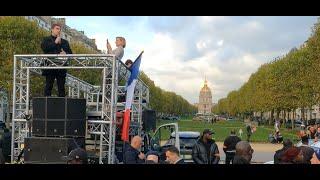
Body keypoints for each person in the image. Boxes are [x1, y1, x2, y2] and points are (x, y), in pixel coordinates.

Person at [41, 23, 72, 97]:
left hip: (61, 67)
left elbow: (71, 53)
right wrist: (55, 42)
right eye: (57, 29)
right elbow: (45, 48)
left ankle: (62, 106)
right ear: (52, 29)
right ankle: (47, 106)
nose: (59, 30)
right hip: (50, 66)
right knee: (48, 86)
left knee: (61, 88)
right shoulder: (46, 39)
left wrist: (66, 53)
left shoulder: (64, 42)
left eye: (60, 29)